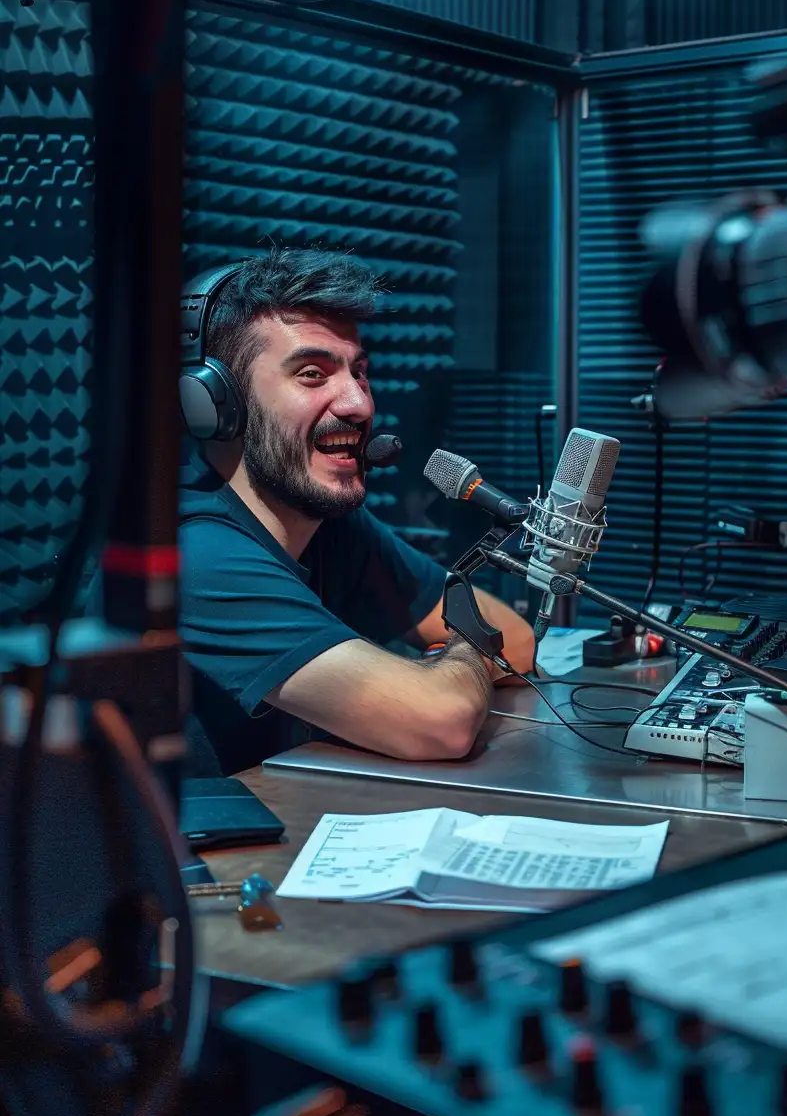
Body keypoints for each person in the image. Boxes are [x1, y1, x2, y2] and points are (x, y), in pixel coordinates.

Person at [179, 249, 534, 776]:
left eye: (359, 373)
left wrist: (449, 664)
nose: (359, 404)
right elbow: (443, 719)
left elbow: (516, 637)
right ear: (214, 402)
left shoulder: (330, 525)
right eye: (312, 373)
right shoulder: (197, 555)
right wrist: (460, 658)